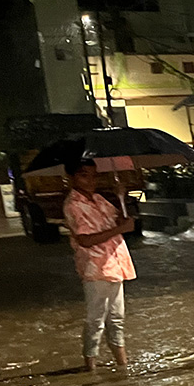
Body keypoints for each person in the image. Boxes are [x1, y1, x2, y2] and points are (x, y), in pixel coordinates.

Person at [62, 157, 136, 371]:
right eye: (84, 175)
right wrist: (119, 230)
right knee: (96, 320)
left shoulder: (99, 199)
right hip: (96, 267)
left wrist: (121, 198)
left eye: (94, 175)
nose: (91, 180)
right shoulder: (73, 205)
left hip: (115, 264)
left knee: (117, 318)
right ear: (72, 178)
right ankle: (90, 366)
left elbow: (118, 220)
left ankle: (122, 364)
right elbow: (85, 239)